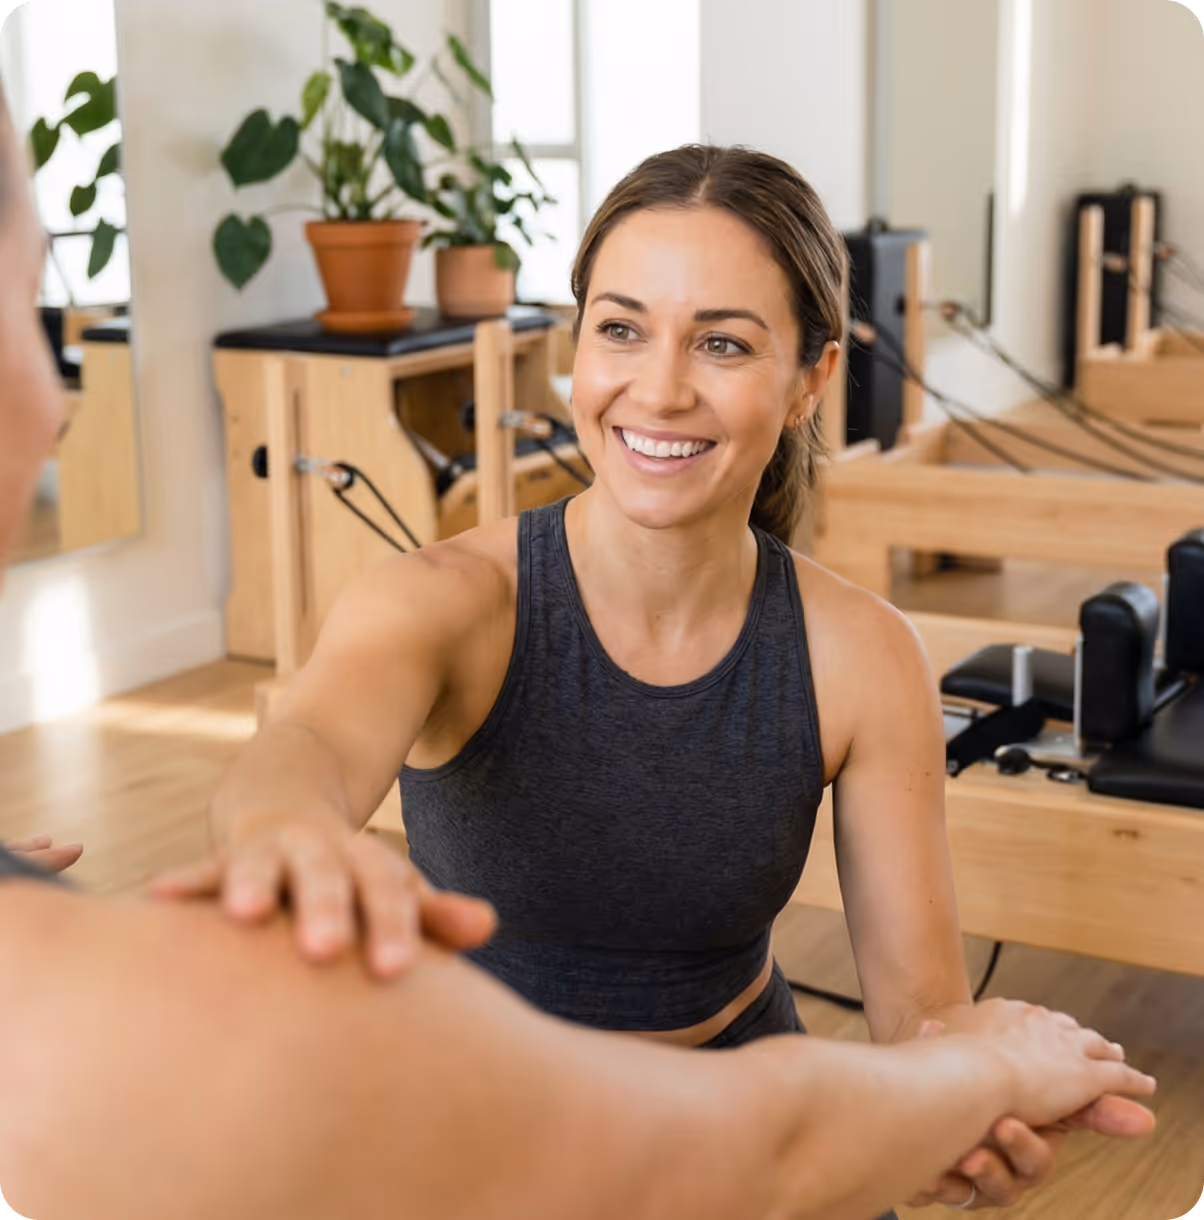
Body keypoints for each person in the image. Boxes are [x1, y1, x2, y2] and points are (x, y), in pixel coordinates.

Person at [0, 79, 1158, 1220]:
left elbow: (923, 1015)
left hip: (762, 1120)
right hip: (487, 1122)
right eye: (619, 328)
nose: (657, 387)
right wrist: (284, 837)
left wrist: (961, 1127)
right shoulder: (447, 599)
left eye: (721, 342)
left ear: (811, 376)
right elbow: (301, 742)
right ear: (573, 348)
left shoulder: (863, 652)